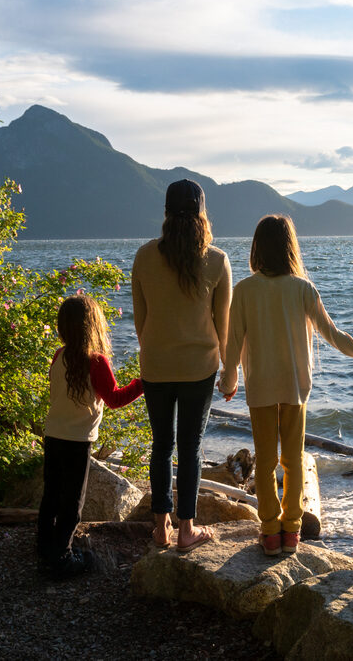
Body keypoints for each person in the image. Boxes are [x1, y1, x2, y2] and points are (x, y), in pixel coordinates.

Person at [221, 215, 353, 556]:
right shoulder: (303, 288)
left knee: (264, 462)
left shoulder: (246, 290)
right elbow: (334, 335)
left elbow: (233, 344)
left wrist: (229, 379)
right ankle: (291, 532)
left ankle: (269, 533)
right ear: (290, 247)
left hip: (261, 388)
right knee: (293, 461)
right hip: (295, 387)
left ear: (257, 248)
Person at [132, 179, 231, 552]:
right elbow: (224, 326)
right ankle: (186, 530)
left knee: (162, 445)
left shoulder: (143, 257)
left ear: (166, 214)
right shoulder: (218, 260)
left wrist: (157, 350)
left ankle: (161, 528)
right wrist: (231, 370)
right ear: (202, 215)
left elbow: (141, 322)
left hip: (155, 364)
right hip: (199, 367)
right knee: (190, 447)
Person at [39, 294, 144, 578]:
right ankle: (62, 558)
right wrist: (142, 383)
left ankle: (44, 548)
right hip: (78, 441)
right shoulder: (96, 361)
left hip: (53, 434)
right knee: (73, 503)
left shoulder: (59, 356)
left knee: (51, 496)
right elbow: (115, 399)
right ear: (93, 326)